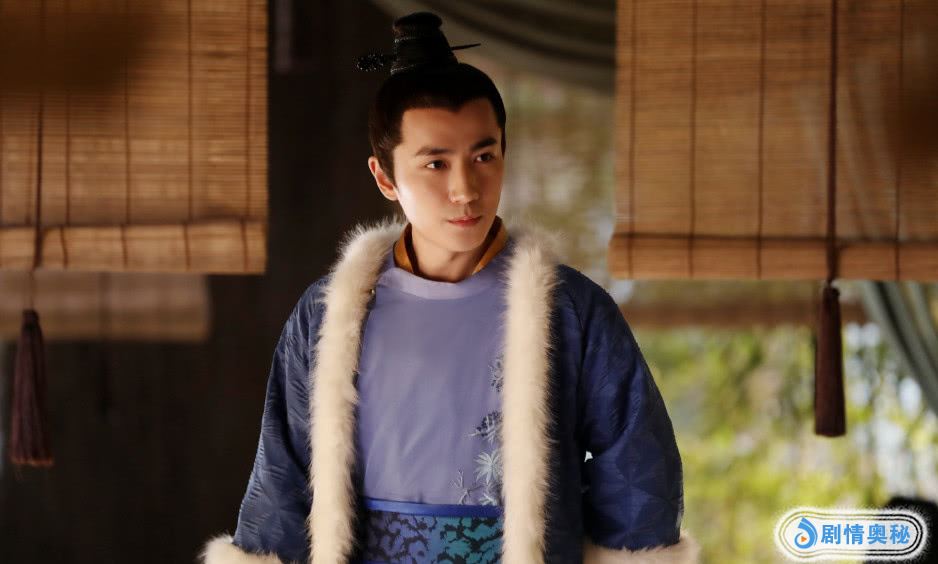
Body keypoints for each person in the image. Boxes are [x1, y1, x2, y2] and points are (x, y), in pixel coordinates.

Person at [200, 11, 699, 564]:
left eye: (483, 157)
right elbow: (283, 478)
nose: (465, 189)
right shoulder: (328, 316)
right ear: (385, 177)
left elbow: (637, 469)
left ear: (504, 153)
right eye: (435, 164)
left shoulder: (572, 310)